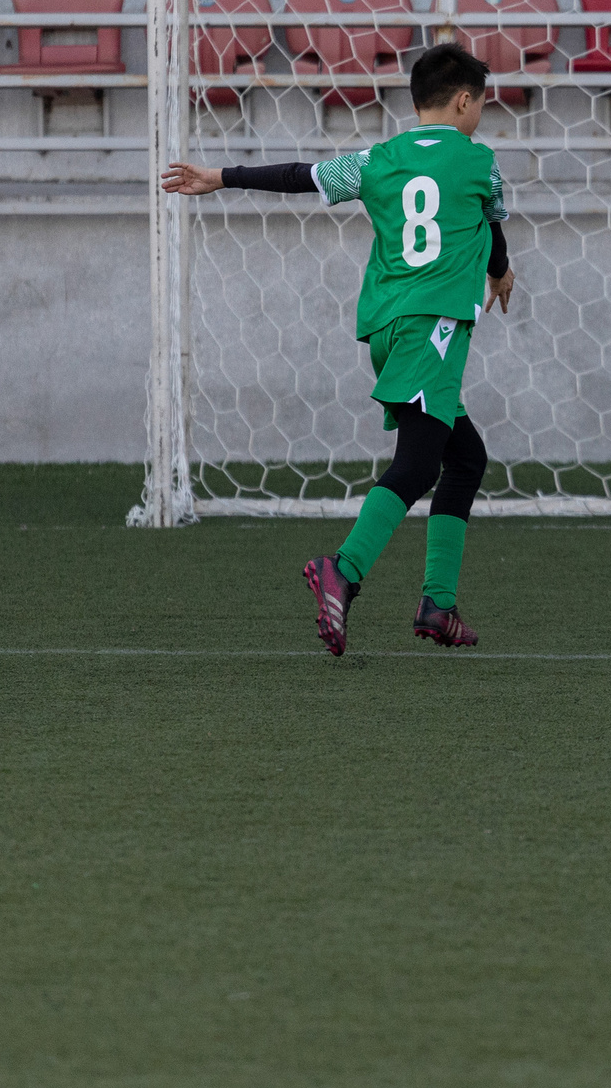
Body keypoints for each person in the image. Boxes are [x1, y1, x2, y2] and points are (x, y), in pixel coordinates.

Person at [161, 44, 513, 652]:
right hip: (434, 327)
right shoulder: (480, 161)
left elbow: (302, 177)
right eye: (481, 101)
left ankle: (439, 605)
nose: (481, 112)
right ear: (464, 100)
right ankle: (343, 571)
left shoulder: (379, 159)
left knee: (466, 458)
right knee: (420, 464)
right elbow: (494, 216)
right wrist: (502, 272)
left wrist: (220, 177)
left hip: (386, 330)